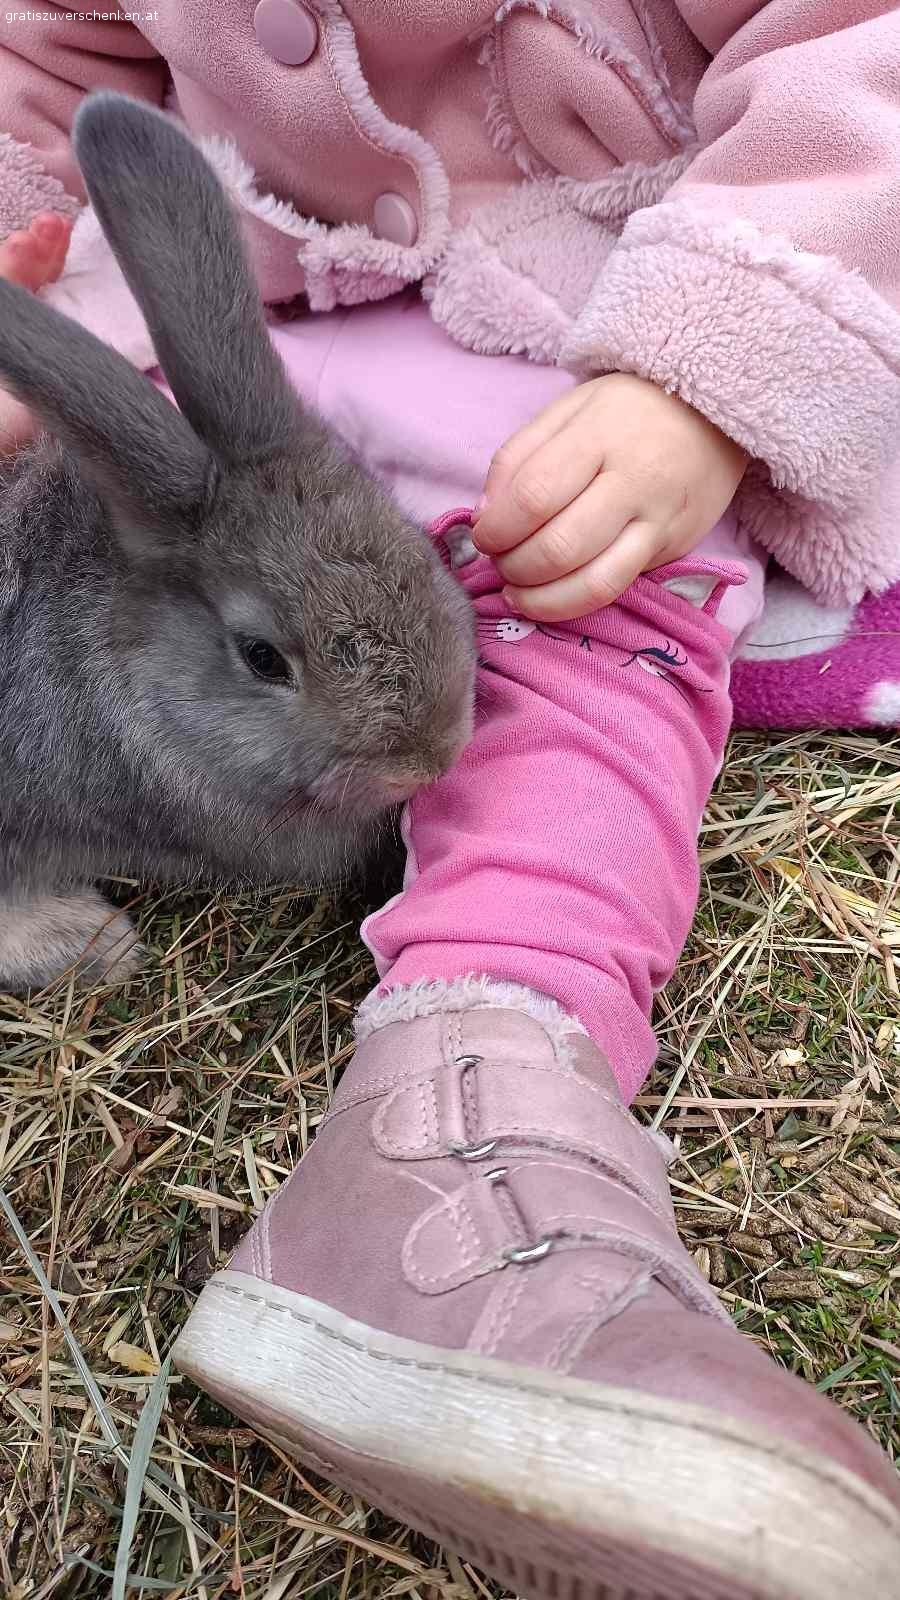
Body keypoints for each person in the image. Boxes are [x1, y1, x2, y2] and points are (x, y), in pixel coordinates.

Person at [1, 6, 899, 1593]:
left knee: (586, 621)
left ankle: (472, 1096)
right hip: (258, 332)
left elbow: (860, 68)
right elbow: (52, 65)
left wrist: (704, 369)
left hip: (609, 334)